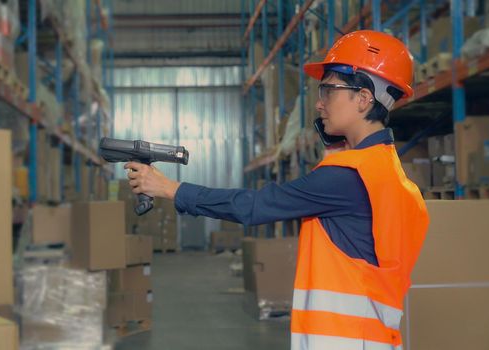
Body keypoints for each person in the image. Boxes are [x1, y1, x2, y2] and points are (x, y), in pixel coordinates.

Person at [125, 30, 429, 350]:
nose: (319, 102)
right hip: (370, 338)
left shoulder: (347, 178)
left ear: (364, 98)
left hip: (345, 340)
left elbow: (254, 206)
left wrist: (169, 188)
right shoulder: (384, 169)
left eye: (329, 90)